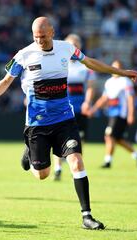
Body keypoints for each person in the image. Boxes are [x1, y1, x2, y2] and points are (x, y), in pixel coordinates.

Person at [0, 16, 137, 230]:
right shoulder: (23, 55)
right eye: (36, 37)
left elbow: (90, 63)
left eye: (43, 36)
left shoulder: (67, 49)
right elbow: (6, 81)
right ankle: (29, 148)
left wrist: (121, 73)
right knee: (42, 175)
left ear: (52, 32)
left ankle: (87, 217)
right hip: (37, 124)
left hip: (65, 120)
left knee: (77, 162)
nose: (40, 41)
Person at [87, 60, 137, 169]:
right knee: (117, 139)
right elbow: (104, 98)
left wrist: (131, 114)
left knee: (109, 136)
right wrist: (93, 109)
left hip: (120, 114)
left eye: (118, 67)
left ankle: (108, 161)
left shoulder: (125, 81)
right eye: (114, 67)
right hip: (112, 112)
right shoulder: (108, 82)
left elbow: (130, 98)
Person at [53, 33, 96, 181]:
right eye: (71, 45)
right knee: (59, 138)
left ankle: (76, 168)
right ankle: (58, 169)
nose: (74, 48)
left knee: (80, 139)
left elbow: (90, 87)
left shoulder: (85, 66)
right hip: (63, 108)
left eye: (76, 45)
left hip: (80, 109)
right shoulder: (59, 64)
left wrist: (87, 102)